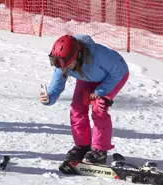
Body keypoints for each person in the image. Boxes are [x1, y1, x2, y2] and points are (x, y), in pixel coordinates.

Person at [39, 34, 129, 164]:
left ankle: (99, 150)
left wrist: (102, 91)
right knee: (77, 108)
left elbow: (119, 72)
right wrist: (50, 97)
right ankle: (82, 146)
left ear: (78, 56)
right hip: (86, 78)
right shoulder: (63, 63)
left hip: (113, 78)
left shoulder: (99, 55)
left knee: (99, 109)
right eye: (55, 61)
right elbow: (57, 85)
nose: (61, 66)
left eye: (64, 63)